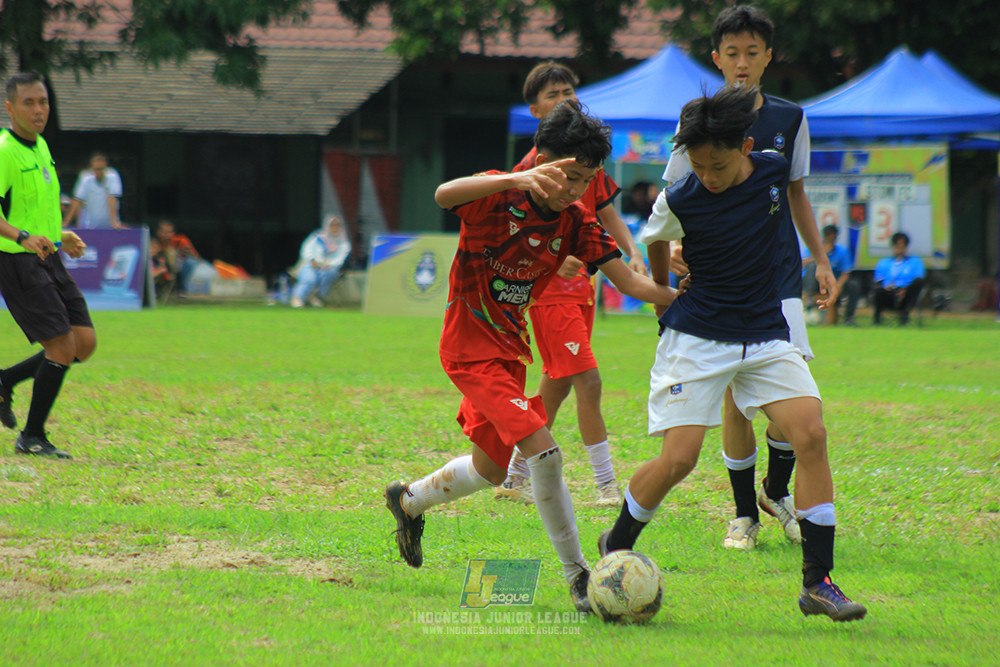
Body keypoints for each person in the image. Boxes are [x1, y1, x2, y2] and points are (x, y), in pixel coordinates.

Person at [384, 100, 677, 612]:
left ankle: (408, 501)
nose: (572, 190)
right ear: (540, 157)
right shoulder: (499, 193)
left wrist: (686, 298)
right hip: (469, 350)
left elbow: (629, 281)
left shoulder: (578, 223)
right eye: (566, 175)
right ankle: (580, 577)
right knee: (544, 450)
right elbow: (442, 193)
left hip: (509, 354)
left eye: (584, 181)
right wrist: (514, 181)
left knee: (492, 469)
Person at [600, 85, 867, 622]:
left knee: (811, 434)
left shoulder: (771, 171)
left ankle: (818, 582)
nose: (709, 176)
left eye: (717, 164)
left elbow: (794, 197)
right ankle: (615, 544)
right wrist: (663, 292)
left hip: (766, 333)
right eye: (698, 165)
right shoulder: (680, 196)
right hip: (697, 336)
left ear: (745, 146)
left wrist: (818, 259)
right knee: (679, 460)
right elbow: (654, 238)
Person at [662, 4, 835, 551]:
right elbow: (673, 197)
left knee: (795, 404)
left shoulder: (790, 119)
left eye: (751, 53)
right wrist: (671, 250)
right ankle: (744, 516)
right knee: (735, 401)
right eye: (731, 53)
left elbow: (796, 193)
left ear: (767, 58)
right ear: (716, 59)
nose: (741, 63)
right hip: (718, 282)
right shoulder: (698, 120)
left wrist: (822, 259)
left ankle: (776, 490)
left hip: (778, 276)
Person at [496, 61, 649, 507]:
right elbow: (518, 230)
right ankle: (605, 485)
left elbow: (606, 213)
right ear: (534, 110)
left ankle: (514, 474)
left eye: (570, 91)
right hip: (549, 293)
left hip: (582, 288)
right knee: (590, 382)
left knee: (557, 384)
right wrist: (548, 260)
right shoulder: (532, 167)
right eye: (554, 95)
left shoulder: (587, 157)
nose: (566, 99)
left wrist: (632, 252)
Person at [0, 72, 93, 459]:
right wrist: (21, 236)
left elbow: (38, 207)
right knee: (61, 347)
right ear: (10, 108)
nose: (39, 110)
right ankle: (32, 436)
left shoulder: (40, 148)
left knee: (83, 344)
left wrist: (60, 238)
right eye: (29, 103)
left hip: (48, 256)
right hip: (18, 261)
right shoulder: (4, 150)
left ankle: (5, 379)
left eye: (43, 102)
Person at [288, 215, 352, 308]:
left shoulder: (343, 243)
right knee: (309, 278)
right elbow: (306, 249)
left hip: (328, 268)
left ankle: (317, 297)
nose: (335, 228)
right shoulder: (316, 237)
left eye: (337, 225)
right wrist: (312, 260)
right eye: (332, 225)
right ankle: (298, 298)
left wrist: (328, 264)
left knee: (331, 273)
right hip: (310, 265)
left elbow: (340, 258)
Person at [803, 225, 860, 325]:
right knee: (812, 267)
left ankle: (849, 318)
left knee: (854, 285)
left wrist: (838, 286)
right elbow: (803, 263)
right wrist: (820, 254)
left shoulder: (842, 251)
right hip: (817, 282)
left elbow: (845, 272)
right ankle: (809, 296)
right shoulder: (814, 248)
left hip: (834, 281)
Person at [872, 232, 925, 326]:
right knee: (878, 291)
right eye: (897, 246)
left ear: (906, 247)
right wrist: (886, 288)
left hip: (907, 294)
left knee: (918, 283)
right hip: (889, 293)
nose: (899, 249)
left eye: (902, 246)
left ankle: (905, 314)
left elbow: (918, 279)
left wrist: (905, 289)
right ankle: (877, 320)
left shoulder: (915, 262)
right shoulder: (884, 263)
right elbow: (878, 281)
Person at [62, 151, 124, 229]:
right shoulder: (85, 177)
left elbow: (112, 199)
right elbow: (77, 201)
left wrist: (115, 223)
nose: (99, 171)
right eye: (97, 169)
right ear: (91, 167)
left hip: (109, 226)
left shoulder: (113, 176)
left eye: (101, 169)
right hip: (89, 226)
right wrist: (66, 223)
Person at [155, 220, 201, 294]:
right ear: (158, 232)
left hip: (195, 266)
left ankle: (182, 291)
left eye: (171, 232)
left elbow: (192, 257)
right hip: (169, 266)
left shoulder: (181, 240)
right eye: (166, 232)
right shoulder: (156, 243)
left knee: (188, 263)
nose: (169, 235)